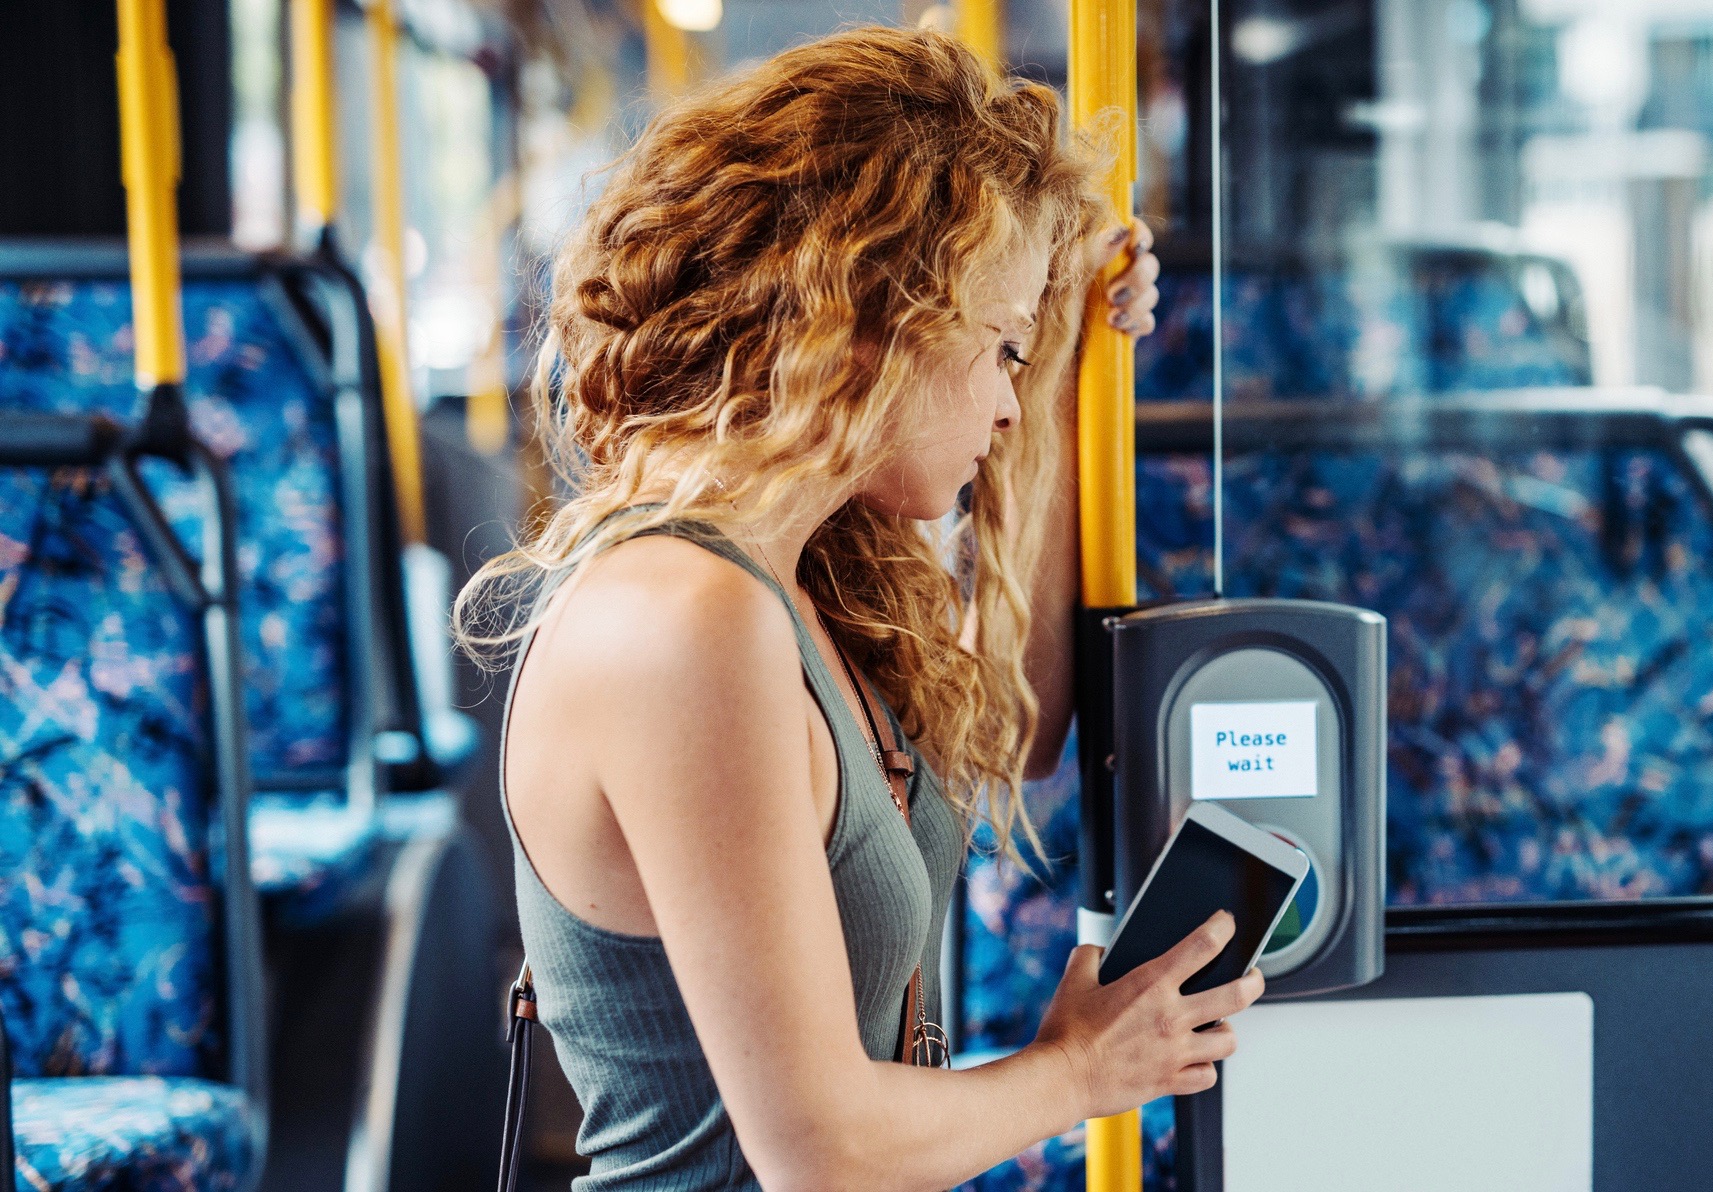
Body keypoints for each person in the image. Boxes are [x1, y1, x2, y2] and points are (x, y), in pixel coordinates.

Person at [458, 26, 1265, 1192]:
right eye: (995, 349)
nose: (1002, 401)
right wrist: (1081, 1070)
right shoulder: (684, 619)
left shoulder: (796, 576)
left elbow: (1017, 729)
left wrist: (1064, 366)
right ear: (875, 331)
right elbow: (819, 1154)